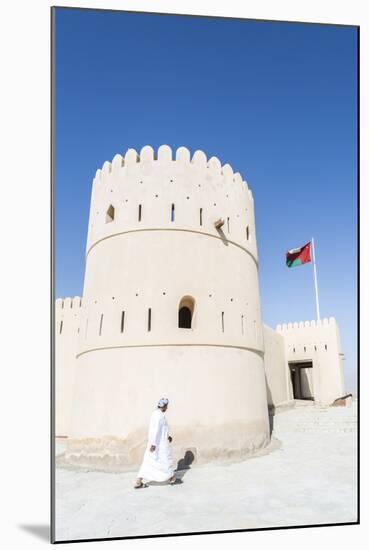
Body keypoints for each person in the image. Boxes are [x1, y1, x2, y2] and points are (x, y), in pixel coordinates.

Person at [134, 398, 177, 488]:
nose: (167, 408)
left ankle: (139, 480)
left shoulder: (155, 413)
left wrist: (167, 436)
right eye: (167, 406)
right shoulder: (159, 416)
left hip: (157, 442)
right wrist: (154, 444)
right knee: (166, 460)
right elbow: (155, 430)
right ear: (164, 406)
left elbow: (162, 429)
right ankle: (172, 478)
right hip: (159, 444)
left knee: (149, 461)